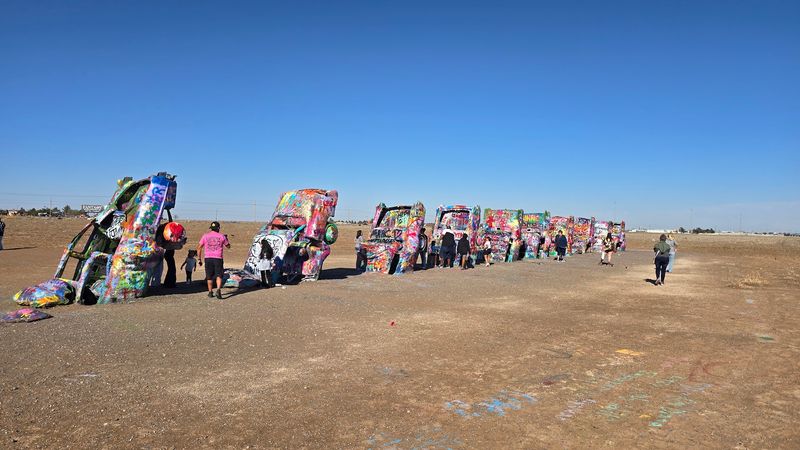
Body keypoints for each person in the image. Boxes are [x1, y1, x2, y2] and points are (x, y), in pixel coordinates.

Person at [197, 221, 231, 299]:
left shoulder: (205, 236)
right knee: (219, 275)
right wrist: (226, 239)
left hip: (208, 258)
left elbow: (199, 247)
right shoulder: (222, 236)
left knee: (209, 276)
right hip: (218, 258)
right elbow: (228, 246)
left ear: (211, 228)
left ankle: (210, 292)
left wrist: (199, 259)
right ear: (218, 228)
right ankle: (218, 290)